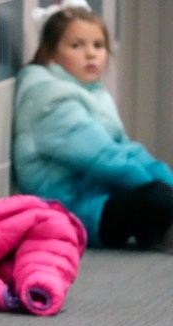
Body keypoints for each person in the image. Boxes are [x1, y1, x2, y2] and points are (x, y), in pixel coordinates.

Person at [12, 2, 173, 250]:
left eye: (98, 46)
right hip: (72, 210)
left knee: (159, 188)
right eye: (76, 45)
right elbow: (106, 160)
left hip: (98, 196)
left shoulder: (91, 91)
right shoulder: (49, 100)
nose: (91, 54)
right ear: (49, 53)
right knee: (156, 197)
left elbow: (126, 148)